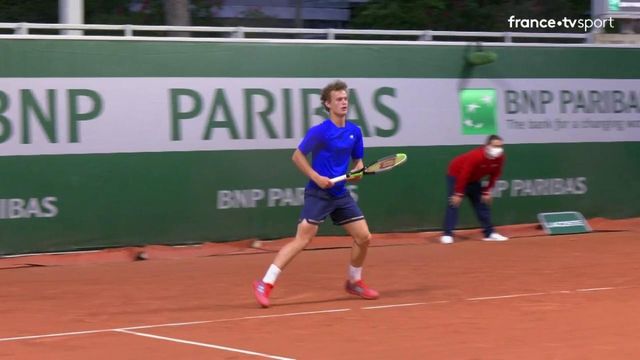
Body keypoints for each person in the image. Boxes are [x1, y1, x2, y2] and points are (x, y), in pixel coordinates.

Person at [252, 80, 379, 308]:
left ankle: (354, 281)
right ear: (327, 104)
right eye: (338, 99)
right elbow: (297, 156)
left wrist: (358, 171)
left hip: (340, 194)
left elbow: (358, 161)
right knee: (303, 239)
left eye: (345, 99)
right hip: (318, 194)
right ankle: (265, 283)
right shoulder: (319, 132)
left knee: (364, 237)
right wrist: (316, 177)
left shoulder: (355, 132)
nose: (343, 103)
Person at [440, 134, 509, 244]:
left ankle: (490, 233)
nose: (498, 149)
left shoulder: (500, 157)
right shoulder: (476, 156)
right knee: (454, 203)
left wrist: (487, 191)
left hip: (474, 179)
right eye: (495, 146)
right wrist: (458, 193)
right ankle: (447, 234)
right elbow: (464, 174)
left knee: (482, 204)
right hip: (456, 175)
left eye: (500, 146)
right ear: (487, 146)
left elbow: (495, 174)